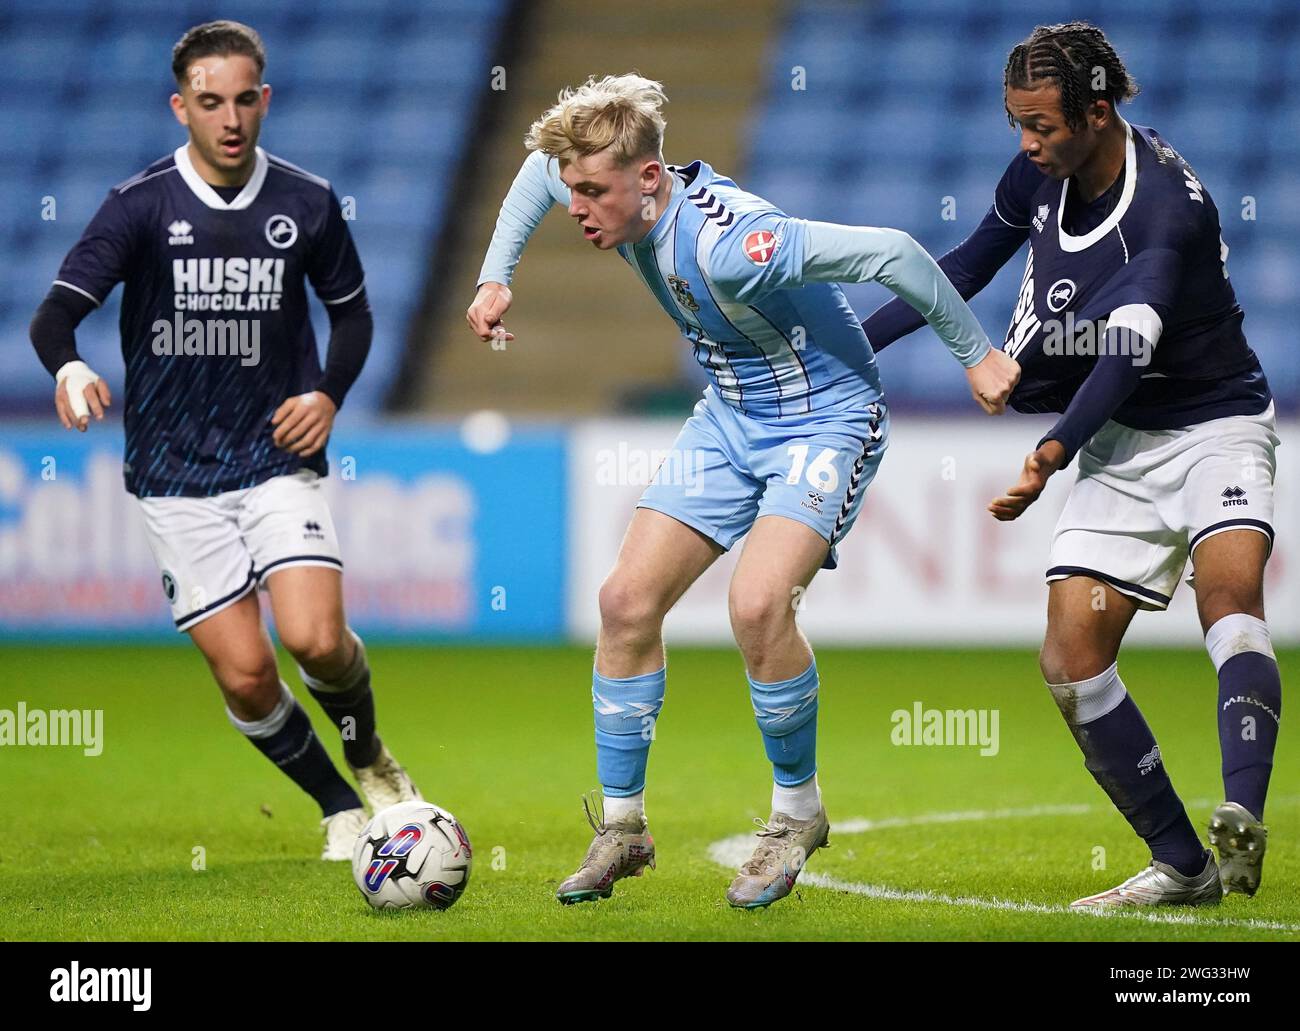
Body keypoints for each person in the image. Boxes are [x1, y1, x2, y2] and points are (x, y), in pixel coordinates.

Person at [467, 74, 1018, 907]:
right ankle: (623, 826)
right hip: (731, 414)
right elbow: (539, 172)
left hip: (828, 417)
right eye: (574, 189)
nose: (576, 206)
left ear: (648, 179)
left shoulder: (737, 245)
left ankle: (797, 813)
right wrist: (494, 275)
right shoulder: (602, 177)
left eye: (592, 192)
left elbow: (897, 254)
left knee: (759, 605)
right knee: (624, 602)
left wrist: (976, 354)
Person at [863, 22, 1281, 907]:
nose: (1026, 144)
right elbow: (968, 264)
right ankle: (1183, 863)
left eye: (1041, 126)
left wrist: (1050, 454)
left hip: (1215, 426)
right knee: (1070, 658)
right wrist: (856, 347)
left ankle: (1242, 810)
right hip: (1124, 443)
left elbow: (1123, 357)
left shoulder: (1163, 212)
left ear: (1096, 114)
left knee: (1230, 594)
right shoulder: (1044, 171)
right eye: (1017, 124)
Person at [28, 20, 419, 861]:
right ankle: (335, 803)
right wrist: (66, 369)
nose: (231, 117)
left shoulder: (306, 202)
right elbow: (56, 313)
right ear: (181, 108)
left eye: (245, 99)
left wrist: (328, 392)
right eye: (210, 102)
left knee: (315, 637)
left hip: (277, 455)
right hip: (172, 471)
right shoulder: (140, 205)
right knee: (246, 674)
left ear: (265, 99)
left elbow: (350, 313)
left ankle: (368, 752)